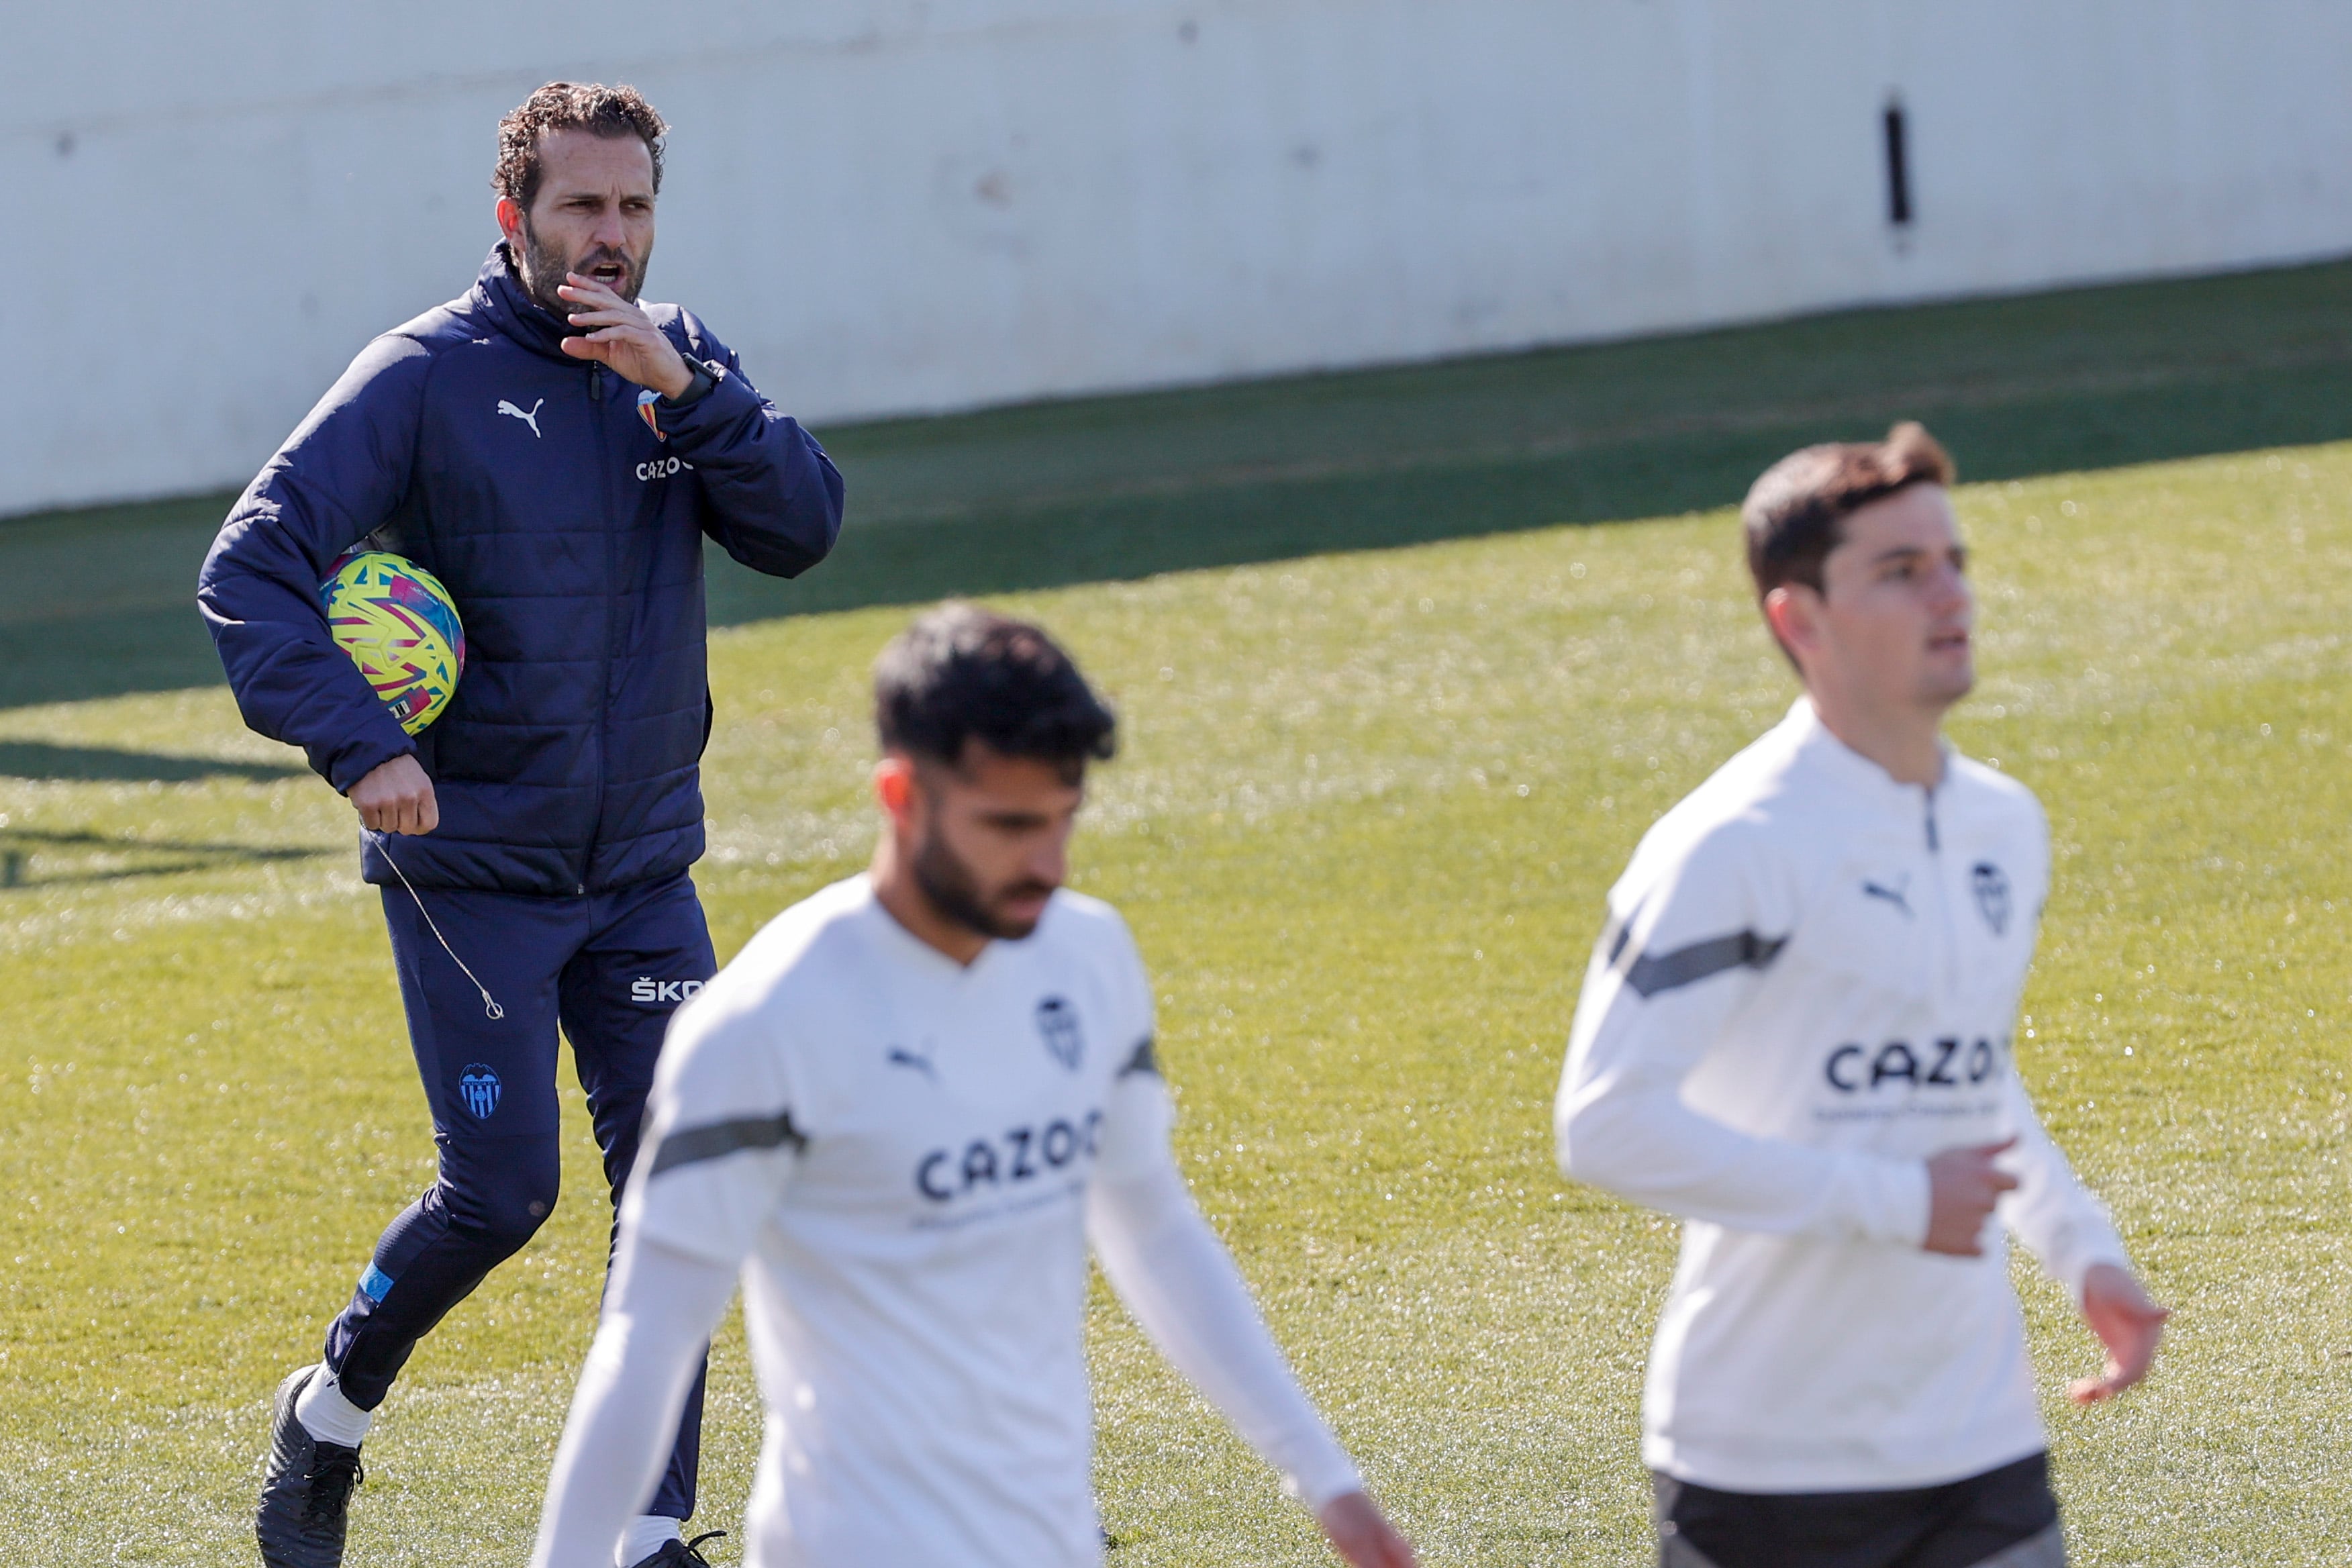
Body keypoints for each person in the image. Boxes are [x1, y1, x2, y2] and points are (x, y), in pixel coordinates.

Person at [197, 82, 844, 1568]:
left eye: (632, 209)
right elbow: (253, 568)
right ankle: (332, 1407)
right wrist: (361, 748)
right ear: (516, 220)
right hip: (470, 870)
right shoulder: (422, 377)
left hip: (639, 873)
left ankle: (640, 1530)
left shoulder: (681, 370)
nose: (609, 238)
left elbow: (803, 527)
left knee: (684, 1181)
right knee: (501, 1196)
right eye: (580, 210)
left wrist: (693, 392)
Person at [526, 604, 1418, 1568]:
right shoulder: (764, 1025)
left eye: (1063, 822)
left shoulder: (1086, 958)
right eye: (1010, 826)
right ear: (901, 795)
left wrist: (1324, 1477)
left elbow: (1152, 1225)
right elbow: (648, 1341)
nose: (1048, 864)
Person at [1553, 424, 2167, 1568]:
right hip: (1767, 1462)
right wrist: (1891, 1200)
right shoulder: (1728, 846)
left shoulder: (2004, 826)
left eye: (1953, 562)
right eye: (1899, 571)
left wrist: (2082, 1250)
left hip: (1978, 1434)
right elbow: (1603, 1124)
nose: (1949, 595)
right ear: (1799, 621)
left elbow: (1967, 1072)